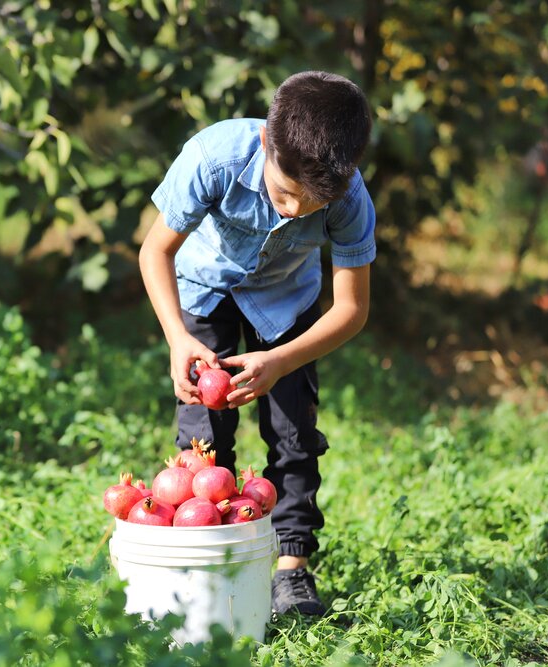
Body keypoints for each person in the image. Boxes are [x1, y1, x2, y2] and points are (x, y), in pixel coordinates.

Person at [138, 71, 375, 616]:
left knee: (294, 435)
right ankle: (206, 564)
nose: (294, 210)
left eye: (311, 205)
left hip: (286, 304)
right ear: (268, 143)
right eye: (286, 193)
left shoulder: (347, 197)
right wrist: (178, 338)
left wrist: (281, 360)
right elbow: (156, 252)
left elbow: (353, 308)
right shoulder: (214, 157)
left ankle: (291, 569)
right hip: (204, 290)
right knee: (203, 435)